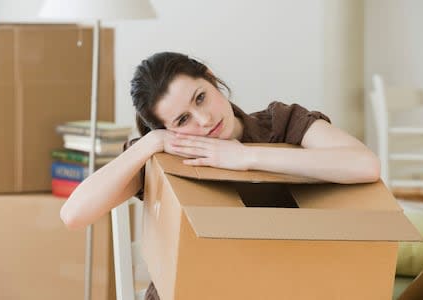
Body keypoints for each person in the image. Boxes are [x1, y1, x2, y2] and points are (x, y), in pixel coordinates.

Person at [59, 52, 381, 299]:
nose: (204, 118)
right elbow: (73, 214)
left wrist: (247, 157)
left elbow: (365, 165)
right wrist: (151, 144)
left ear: (211, 79)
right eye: (182, 119)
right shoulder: (167, 153)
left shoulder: (281, 123)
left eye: (200, 97)